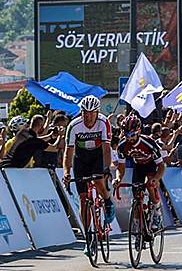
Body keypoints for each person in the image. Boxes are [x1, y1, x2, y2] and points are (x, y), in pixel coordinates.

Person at [63, 95, 116, 256]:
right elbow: (68, 152)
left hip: (98, 156)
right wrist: (66, 172)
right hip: (81, 159)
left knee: (99, 180)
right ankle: (88, 238)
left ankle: (107, 201)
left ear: (97, 112)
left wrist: (106, 168)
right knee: (83, 199)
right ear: (81, 112)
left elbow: (107, 149)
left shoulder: (103, 122)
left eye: (92, 113)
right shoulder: (74, 126)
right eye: (85, 113)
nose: (88, 116)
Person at [114, 115, 165, 231]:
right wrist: (117, 179)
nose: (129, 138)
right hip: (139, 166)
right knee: (137, 197)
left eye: (132, 135)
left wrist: (156, 178)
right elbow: (120, 167)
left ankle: (157, 211)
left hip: (151, 165)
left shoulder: (149, 142)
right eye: (126, 135)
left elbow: (161, 165)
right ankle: (137, 226)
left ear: (138, 132)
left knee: (149, 184)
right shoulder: (122, 146)